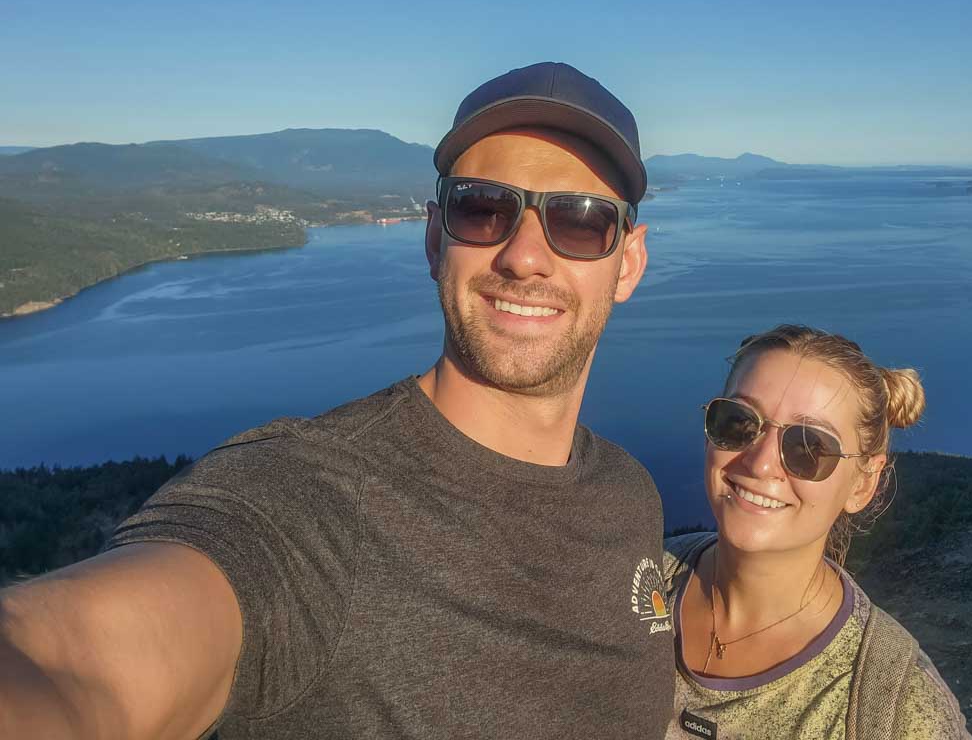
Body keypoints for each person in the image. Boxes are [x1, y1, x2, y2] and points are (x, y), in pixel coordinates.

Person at [0, 62, 676, 739]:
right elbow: (74, 660)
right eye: (484, 208)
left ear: (630, 263)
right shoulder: (304, 501)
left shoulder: (629, 494)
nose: (524, 256)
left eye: (581, 221)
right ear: (437, 238)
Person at [663, 325, 970, 739]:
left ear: (863, 483)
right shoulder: (636, 579)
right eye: (738, 422)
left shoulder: (895, 708)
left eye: (808, 447)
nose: (760, 464)